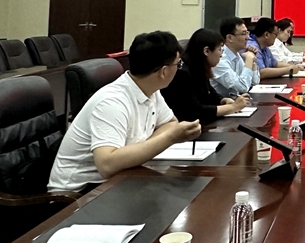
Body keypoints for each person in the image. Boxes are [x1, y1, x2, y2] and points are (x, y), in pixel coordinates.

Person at [48, 31, 201, 192]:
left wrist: (142, 149)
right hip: (79, 193)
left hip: (120, 178)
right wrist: (169, 138)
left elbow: (170, 123)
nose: (179, 68)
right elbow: (107, 165)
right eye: (178, 64)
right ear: (163, 71)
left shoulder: (150, 89)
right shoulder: (111, 102)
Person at [161, 28, 250, 123]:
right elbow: (195, 111)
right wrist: (233, 107)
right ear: (206, 51)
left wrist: (223, 100)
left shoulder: (199, 66)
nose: (221, 55)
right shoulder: (183, 73)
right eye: (220, 49)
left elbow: (209, 92)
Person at [210, 17, 260, 98]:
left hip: (234, 101)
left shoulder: (235, 54)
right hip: (220, 103)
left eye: (247, 33)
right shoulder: (219, 59)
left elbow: (254, 83)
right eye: (243, 34)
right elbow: (243, 87)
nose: (248, 37)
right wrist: (249, 59)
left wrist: (252, 61)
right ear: (230, 38)